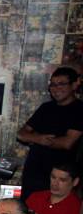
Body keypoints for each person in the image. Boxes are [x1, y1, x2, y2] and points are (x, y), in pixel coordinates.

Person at [17, 67, 83, 201]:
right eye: (53, 84)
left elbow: (67, 143)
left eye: (61, 84)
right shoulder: (46, 108)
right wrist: (39, 138)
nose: (56, 88)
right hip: (34, 175)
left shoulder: (80, 110)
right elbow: (21, 134)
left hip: (60, 178)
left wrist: (35, 139)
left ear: (74, 85)